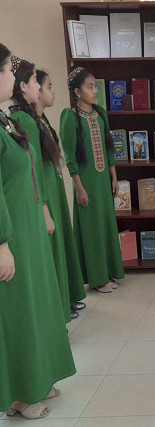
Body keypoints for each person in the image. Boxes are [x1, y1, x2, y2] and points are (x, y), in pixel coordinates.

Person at [0, 48, 76, 419]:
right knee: (19, 310)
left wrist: (41, 209)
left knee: (37, 304)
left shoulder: (6, 121)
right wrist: (2, 243)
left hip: (27, 226)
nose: (12, 77)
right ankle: (19, 393)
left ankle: (38, 376)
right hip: (11, 234)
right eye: (6, 70)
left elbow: (28, 173)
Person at [10, 61, 86, 322]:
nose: (50, 91)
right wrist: (42, 204)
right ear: (25, 86)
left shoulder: (36, 119)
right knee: (51, 249)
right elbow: (32, 167)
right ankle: (58, 308)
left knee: (59, 246)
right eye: (43, 84)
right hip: (42, 193)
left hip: (49, 189)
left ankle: (64, 300)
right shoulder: (23, 119)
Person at [59, 67, 124, 293]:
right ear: (77, 92)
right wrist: (79, 188)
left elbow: (108, 149)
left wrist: (113, 177)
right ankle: (97, 279)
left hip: (103, 182)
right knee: (91, 229)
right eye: (89, 87)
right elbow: (70, 157)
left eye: (95, 86)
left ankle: (108, 272)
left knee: (106, 225)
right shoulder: (70, 118)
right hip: (86, 183)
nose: (95, 91)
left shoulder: (100, 114)